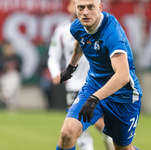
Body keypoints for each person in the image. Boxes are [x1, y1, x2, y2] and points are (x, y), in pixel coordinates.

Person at [56, 0, 142, 150]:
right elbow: (81, 40)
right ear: (75, 8)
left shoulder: (112, 34)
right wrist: (71, 66)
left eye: (90, 7)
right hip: (93, 87)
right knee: (67, 133)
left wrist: (94, 98)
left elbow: (122, 76)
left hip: (123, 96)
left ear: (100, 8)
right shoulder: (77, 26)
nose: (85, 12)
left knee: (122, 148)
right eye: (81, 8)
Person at [48, 0, 114, 150]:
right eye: (78, 5)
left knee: (90, 120)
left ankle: (110, 135)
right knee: (77, 129)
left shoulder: (102, 28)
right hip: (74, 84)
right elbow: (53, 55)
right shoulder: (62, 30)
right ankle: (109, 136)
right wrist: (55, 73)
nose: (84, 10)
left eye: (89, 6)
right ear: (71, 6)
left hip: (98, 83)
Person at [0, 40, 22, 110]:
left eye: (10, 47)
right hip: (3, 78)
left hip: (13, 79)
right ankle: (7, 95)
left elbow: (20, 69)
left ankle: (6, 94)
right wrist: (6, 66)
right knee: (14, 78)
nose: (9, 49)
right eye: (7, 48)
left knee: (14, 76)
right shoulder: (1, 57)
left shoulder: (16, 57)